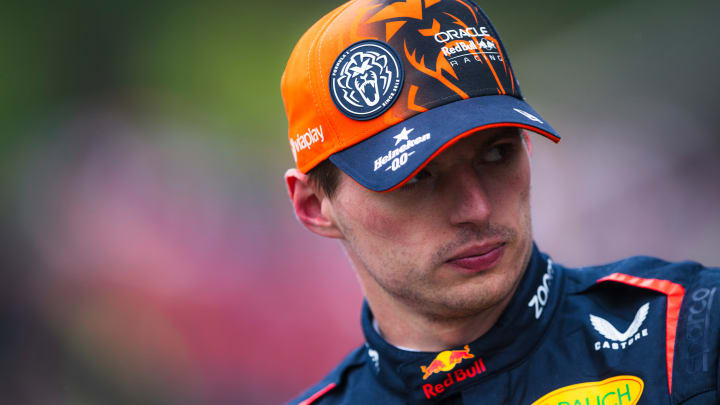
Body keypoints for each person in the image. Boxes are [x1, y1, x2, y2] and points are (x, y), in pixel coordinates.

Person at [280, 0, 720, 403]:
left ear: (526, 146)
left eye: (496, 153)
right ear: (314, 207)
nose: (477, 208)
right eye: (417, 177)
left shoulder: (691, 336)